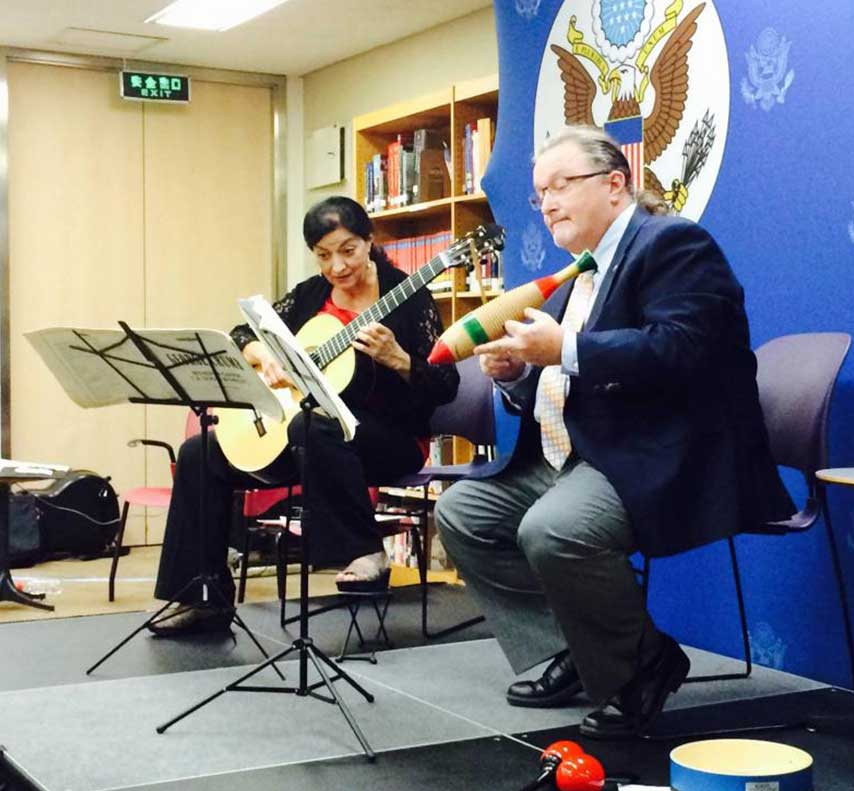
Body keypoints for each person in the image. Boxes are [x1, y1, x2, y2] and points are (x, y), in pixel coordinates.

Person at [433, 127, 794, 739]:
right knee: (463, 512)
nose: (546, 202)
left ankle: (634, 671)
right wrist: (520, 372)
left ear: (615, 183)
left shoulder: (674, 244)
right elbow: (563, 382)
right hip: (582, 455)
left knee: (552, 528)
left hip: (661, 455)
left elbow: (686, 349)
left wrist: (565, 346)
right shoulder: (580, 273)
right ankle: (591, 646)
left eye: (559, 186)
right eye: (538, 194)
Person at [151, 196, 459, 635]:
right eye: (323, 255)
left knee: (313, 425)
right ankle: (202, 597)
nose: (336, 266)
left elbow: (446, 385)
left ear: (370, 241)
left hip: (390, 439)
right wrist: (262, 355)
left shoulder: (406, 296)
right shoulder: (311, 295)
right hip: (309, 435)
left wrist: (399, 359)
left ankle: (365, 551)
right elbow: (243, 332)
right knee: (201, 452)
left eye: (348, 250)